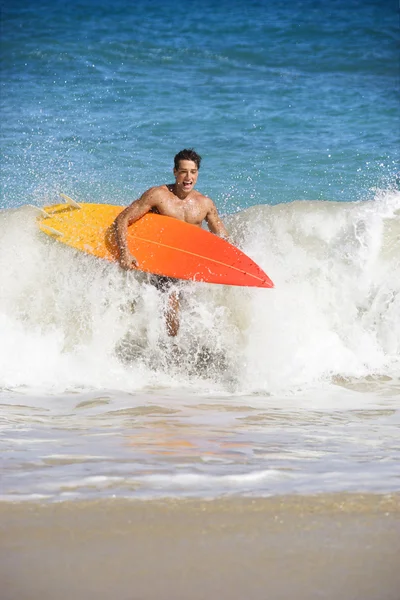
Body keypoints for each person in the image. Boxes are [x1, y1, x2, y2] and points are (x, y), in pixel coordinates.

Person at [113, 149, 229, 337]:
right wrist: (124, 252)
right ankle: (172, 351)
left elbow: (223, 238)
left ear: (197, 173)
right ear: (175, 172)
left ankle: (177, 348)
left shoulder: (205, 204)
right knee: (172, 303)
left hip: (188, 264)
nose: (188, 177)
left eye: (193, 172)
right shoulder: (158, 196)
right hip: (162, 261)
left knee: (196, 313)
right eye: (183, 171)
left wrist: (237, 261)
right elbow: (123, 219)